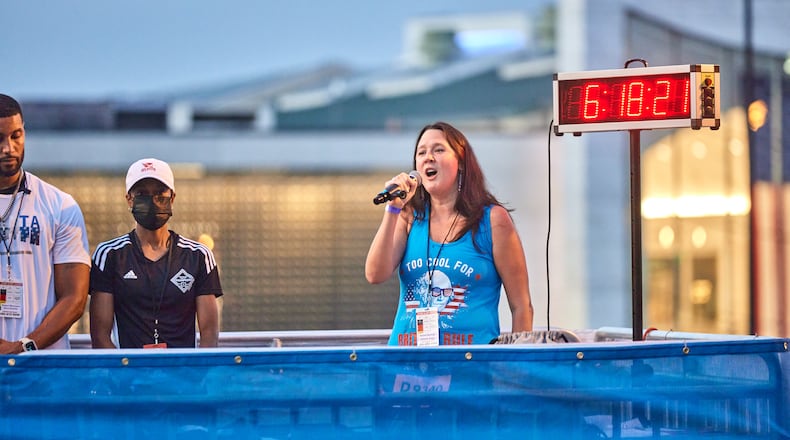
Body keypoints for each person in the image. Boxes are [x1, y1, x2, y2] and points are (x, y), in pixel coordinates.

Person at [366, 121, 534, 346]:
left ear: (461, 162)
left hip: (470, 367)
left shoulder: (493, 220)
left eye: (439, 149)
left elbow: (521, 305)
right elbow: (375, 274)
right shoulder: (408, 216)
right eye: (421, 152)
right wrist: (394, 208)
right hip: (408, 368)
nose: (428, 157)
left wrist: (517, 365)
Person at [89, 158, 222, 348]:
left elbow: (209, 333)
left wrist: (194, 376)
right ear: (129, 199)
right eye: (142, 194)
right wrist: (124, 375)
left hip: (183, 374)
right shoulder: (109, 255)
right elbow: (100, 335)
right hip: (130, 374)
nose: (152, 201)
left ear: (172, 198)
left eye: (160, 193)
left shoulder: (198, 256)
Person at [0, 93, 91, 354]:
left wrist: (25, 346)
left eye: (16, 135)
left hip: (43, 368)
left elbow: (74, 298)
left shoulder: (59, 205)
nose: (9, 148)